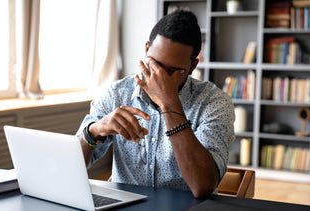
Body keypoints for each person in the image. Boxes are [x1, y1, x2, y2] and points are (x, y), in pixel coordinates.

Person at [76, 10, 235, 198]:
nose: (159, 76)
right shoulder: (116, 94)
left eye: (172, 71)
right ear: (146, 50)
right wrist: (94, 131)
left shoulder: (214, 102)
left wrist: (169, 104)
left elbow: (203, 185)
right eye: (155, 63)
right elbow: (72, 165)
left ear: (192, 67)